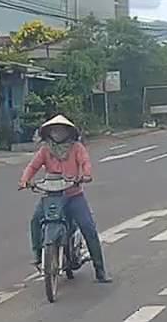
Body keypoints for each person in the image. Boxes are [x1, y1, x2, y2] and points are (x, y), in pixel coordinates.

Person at [18, 114, 110, 283]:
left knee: (88, 227)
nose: (57, 133)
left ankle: (100, 269)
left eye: (61, 130)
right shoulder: (45, 150)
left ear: (68, 132)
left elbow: (85, 163)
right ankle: (38, 255)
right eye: (54, 130)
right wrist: (25, 180)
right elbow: (33, 166)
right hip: (51, 196)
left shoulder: (77, 148)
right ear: (49, 133)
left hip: (73, 195)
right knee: (35, 220)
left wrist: (86, 175)